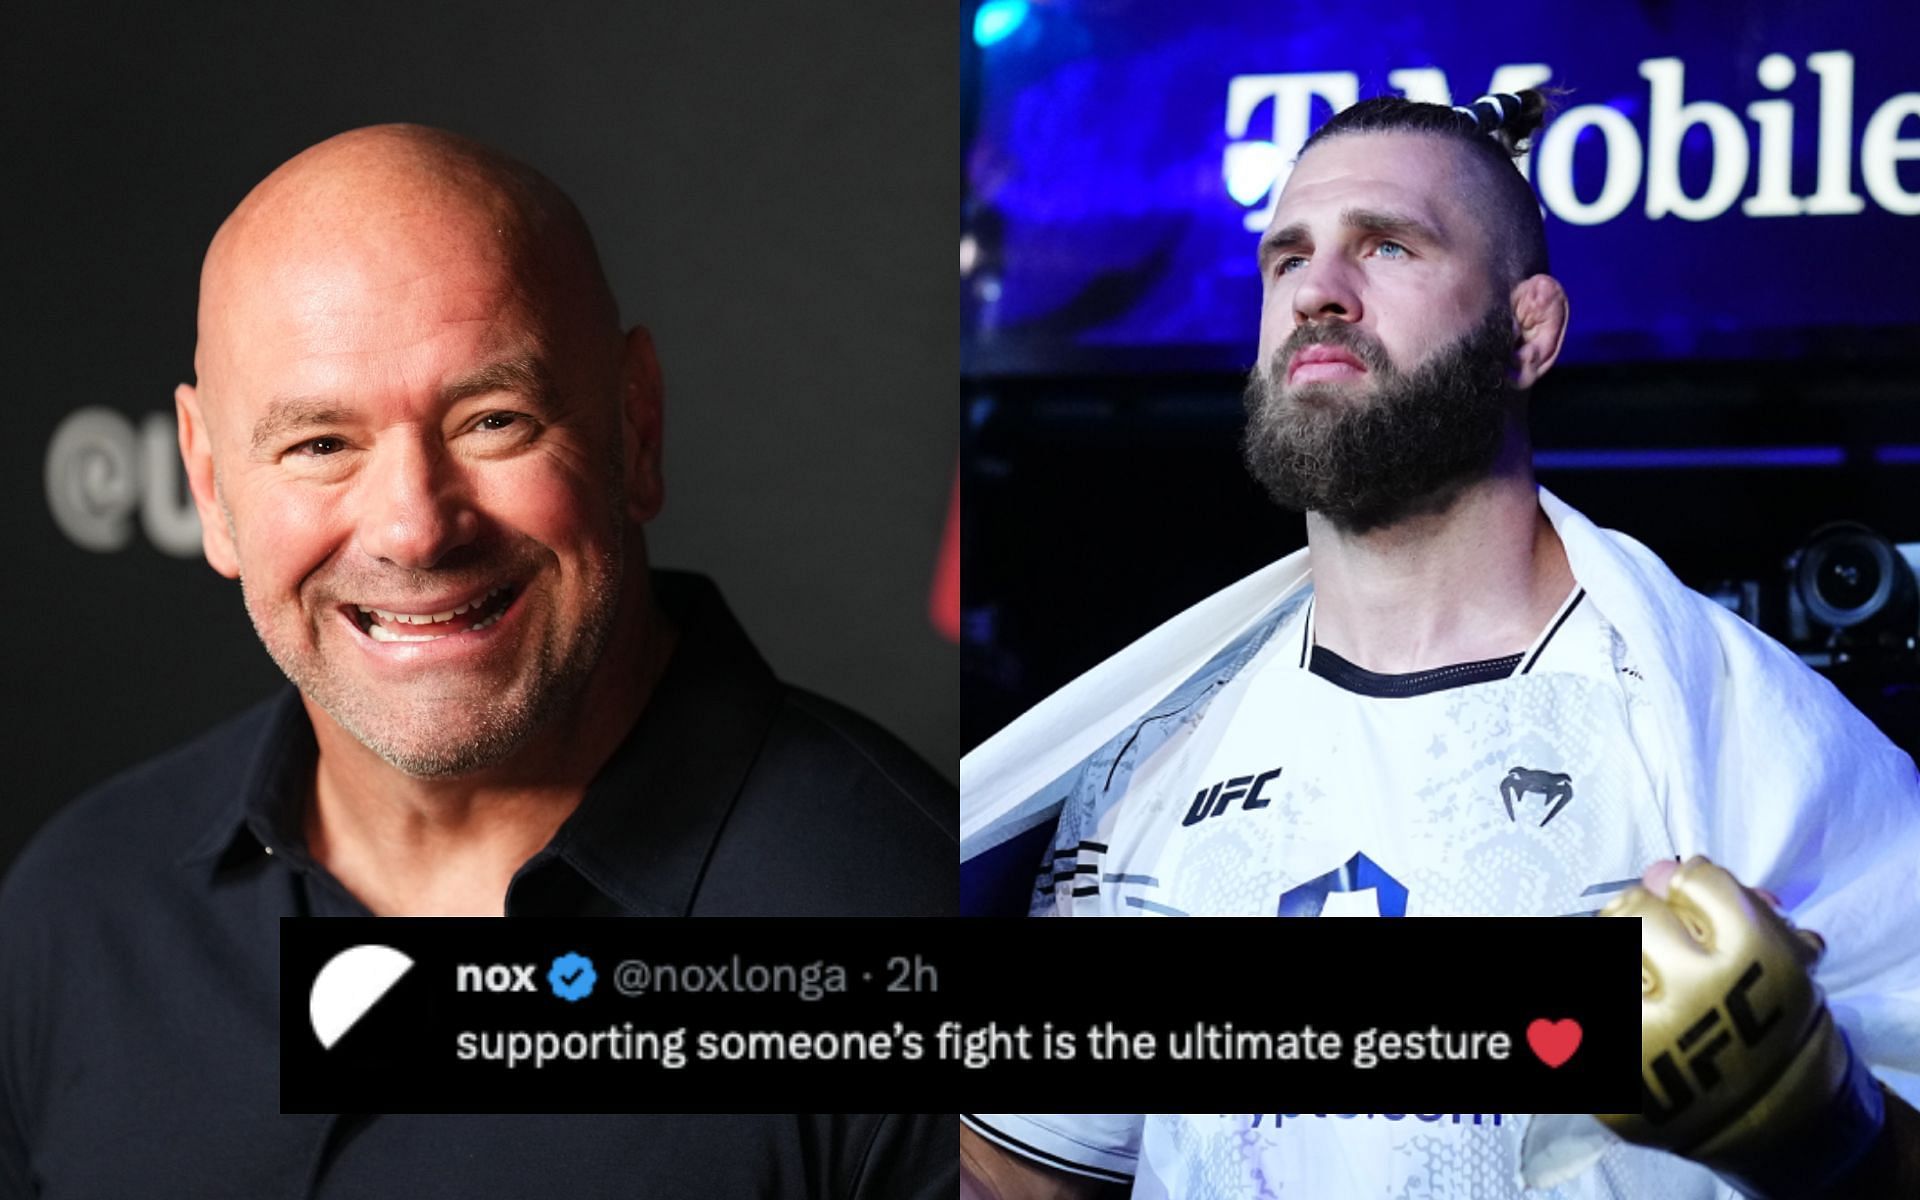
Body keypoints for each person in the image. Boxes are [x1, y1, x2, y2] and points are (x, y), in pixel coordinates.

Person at [958, 92, 1920, 1197]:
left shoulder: (1740, 735)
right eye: (1287, 259)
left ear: (1528, 330)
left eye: (1387, 244)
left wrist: (1821, 1124)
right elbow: (1026, 1171)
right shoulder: (1153, 770)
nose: (1318, 288)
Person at [0, 125, 955, 1197]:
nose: (414, 529)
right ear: (211, 485)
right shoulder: (82, 909)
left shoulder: (905, 924)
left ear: (637, 430)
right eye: (321, 444)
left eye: (493, 421)